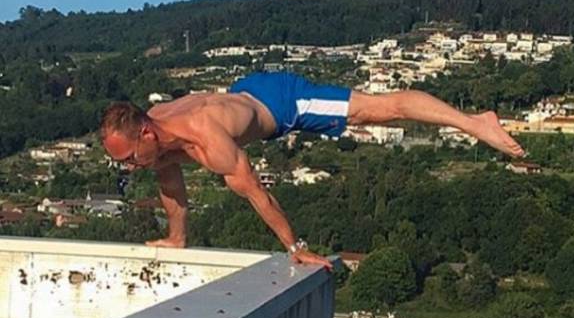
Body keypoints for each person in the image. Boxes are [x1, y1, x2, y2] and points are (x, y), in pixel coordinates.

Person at [99, 71, 525, 269]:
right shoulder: (156, 127)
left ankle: (474, 122)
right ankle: (470, 121)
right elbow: (171, 188)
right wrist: (176, 238)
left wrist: (294, 246)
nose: (128, 167)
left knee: (378, 110)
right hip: (246, 92)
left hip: (284, 105)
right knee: (378, 114)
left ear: (147, 136)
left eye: (129, 158)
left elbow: (258, 195)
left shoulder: (209, 140)